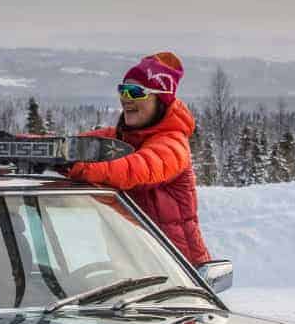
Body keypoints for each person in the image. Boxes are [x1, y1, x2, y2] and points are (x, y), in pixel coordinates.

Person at [61, 51, 212, 266]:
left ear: (160, 98)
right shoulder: (118, 138)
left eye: (135, 92)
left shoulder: (173, 144)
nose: (126, 99)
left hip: (179, 273)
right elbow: (64, 145)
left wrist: (75, 165)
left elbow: (134, 170)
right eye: (123, 90)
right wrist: (19, 144)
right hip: (134, 268)